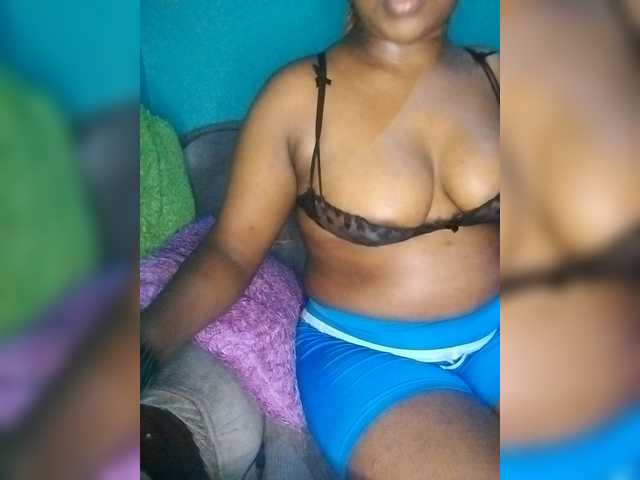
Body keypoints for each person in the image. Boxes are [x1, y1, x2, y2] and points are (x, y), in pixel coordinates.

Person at [142, 0, 500, 478]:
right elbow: (230, 252)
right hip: (366, 356)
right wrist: (144, 344)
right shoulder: (294, 101)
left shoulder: (499, 78)